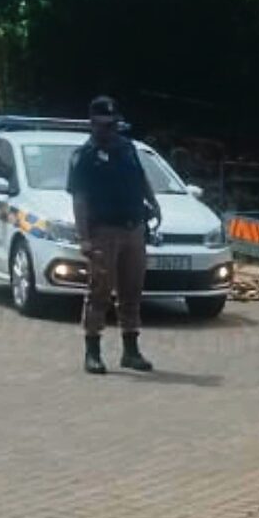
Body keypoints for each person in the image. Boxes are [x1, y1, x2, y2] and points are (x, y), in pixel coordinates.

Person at [68, 97, 162, 375]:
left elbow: (140, 177)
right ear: (93, 124)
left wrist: (153, 202)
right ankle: (93, 352)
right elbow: (79, 200)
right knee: (99, 290)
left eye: (113, 124)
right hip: (103, 231)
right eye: (104, 125)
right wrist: (84, 238)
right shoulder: (84, 156)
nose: (110, 130)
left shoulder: (127, 147)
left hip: (133, 228)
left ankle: (130, 351)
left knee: (132, 291)